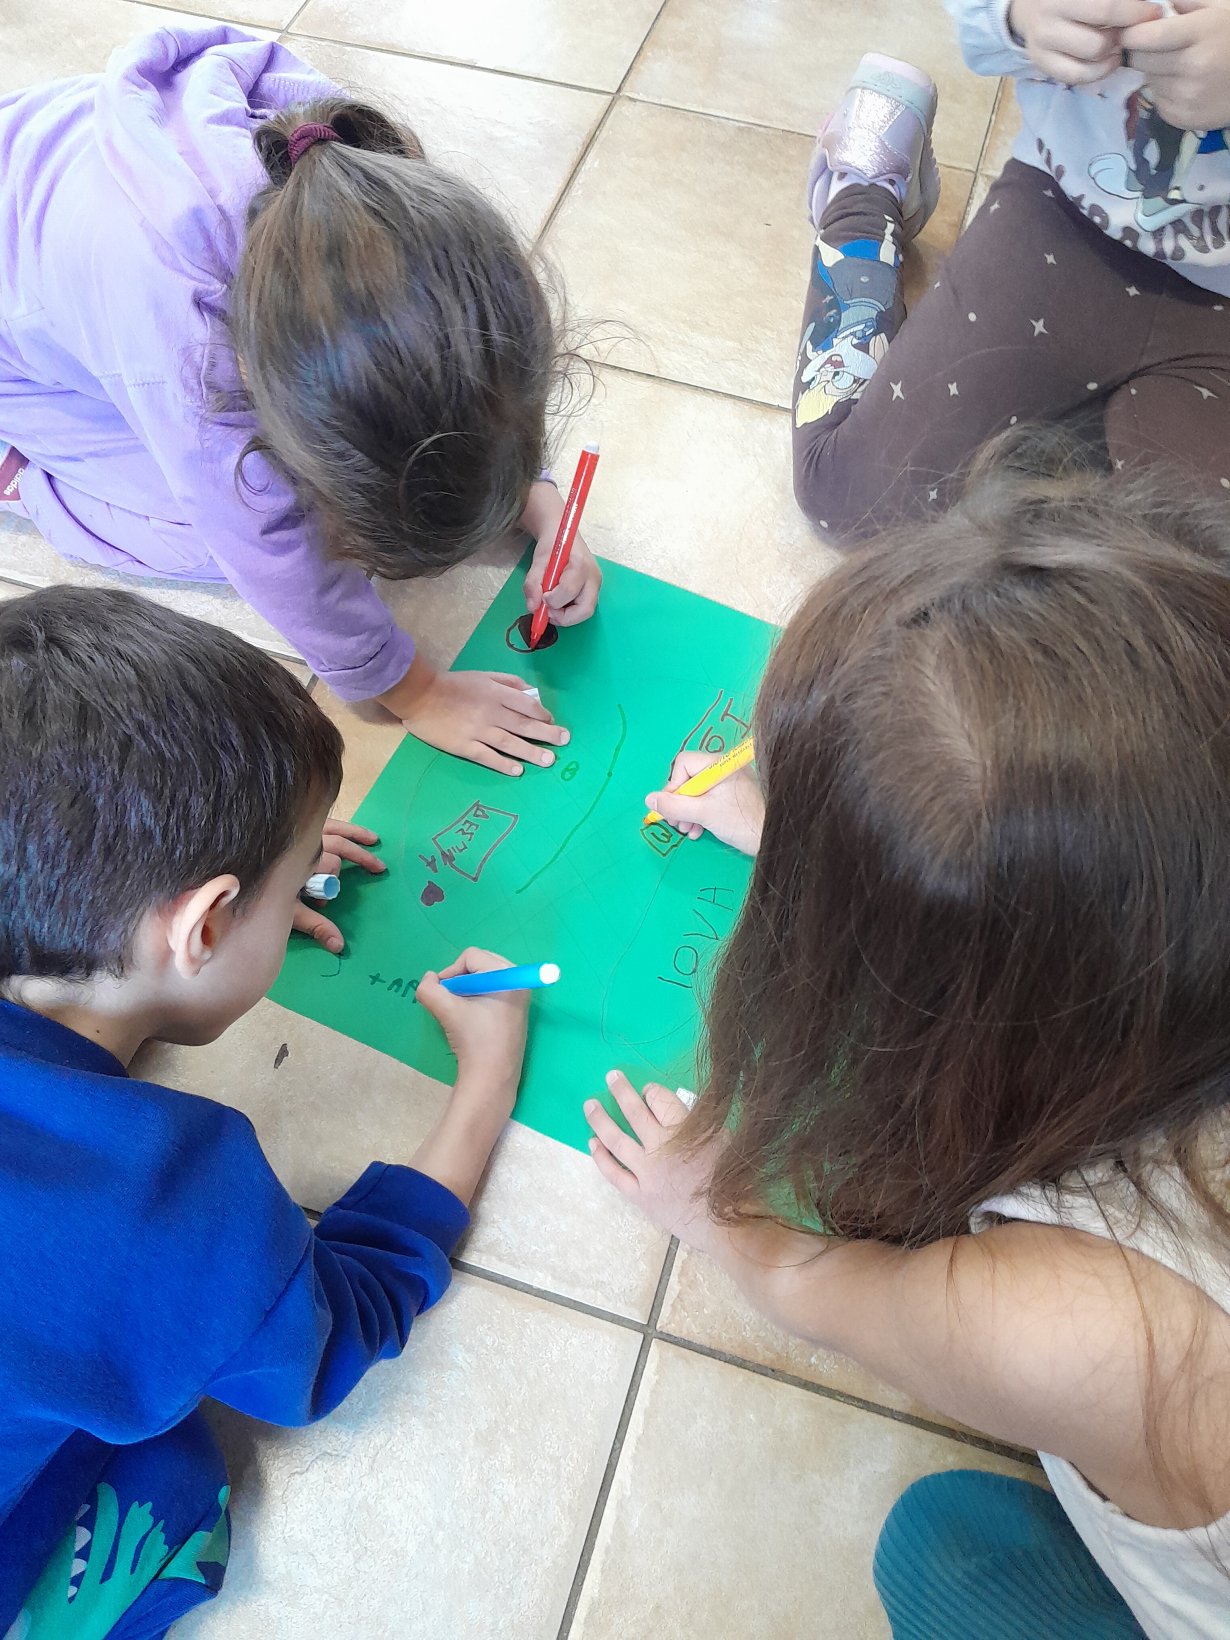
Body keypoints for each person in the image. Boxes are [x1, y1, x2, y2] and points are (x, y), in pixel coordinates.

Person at [587, 454, 1230, 1637]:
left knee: (938, 1544)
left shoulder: (1089, 1329)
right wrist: (839, 854)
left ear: (960, 1009)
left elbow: (813, 1284)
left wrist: (709, 1212)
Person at [0, 585, 529, 1637]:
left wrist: (246, 882)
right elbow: (328, 1339)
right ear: (202, 924)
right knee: (171, 1474)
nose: (299, 897)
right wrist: (486, 1083)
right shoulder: (163, 1211)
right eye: (287, 892)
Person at [0, 22, 600, 779]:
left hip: (56, 231)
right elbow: (266, 544)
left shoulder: (359, 175)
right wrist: (415, 692)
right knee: (211, 531)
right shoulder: (186, 351)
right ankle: (24, 475)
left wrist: (536, 500)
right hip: (23, 354)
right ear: (255, 382)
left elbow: (470, 377)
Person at [791, 0, 1230, 539]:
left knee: (1177, 569)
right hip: (1065, 214)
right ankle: (864, 188)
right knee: (851, 498)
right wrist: (1017, 17)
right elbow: (979, 25)